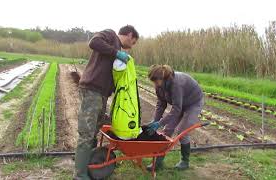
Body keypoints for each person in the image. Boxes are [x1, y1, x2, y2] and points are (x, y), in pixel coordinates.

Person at [74, 25, 139, 180]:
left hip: (101, 94)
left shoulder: (117, 49)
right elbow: (93, 42)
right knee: (87, 133)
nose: (133, 45)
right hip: (92, 90)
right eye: (134, 41)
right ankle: (80, 175)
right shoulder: (110, 36)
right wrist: (117, 53)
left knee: (94, 130)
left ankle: (87, 164)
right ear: (130, 35)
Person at [146, 65, 204, 171]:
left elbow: (177, 109)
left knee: (182, 131)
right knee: (166, 131)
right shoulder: (159, 85)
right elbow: (161, 104)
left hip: (193, 103)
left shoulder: (177, 84)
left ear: (163, 78)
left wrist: (160, 122)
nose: (155, 84)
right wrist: (155, 120)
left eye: (156, 81)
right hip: (180, 104)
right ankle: (158, 162)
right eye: (153, 82)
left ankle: (185, 161)